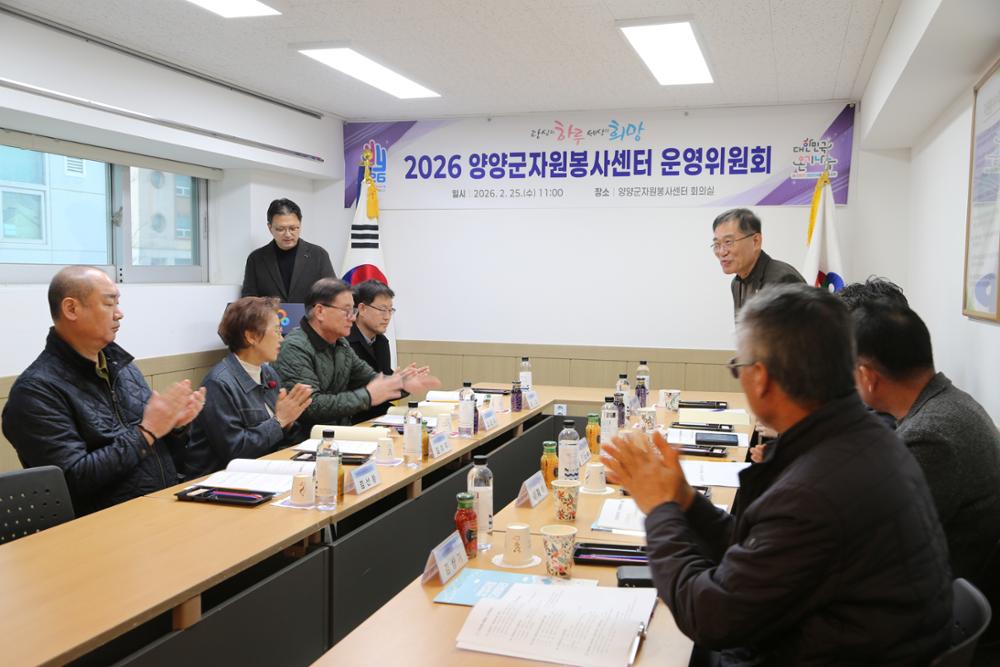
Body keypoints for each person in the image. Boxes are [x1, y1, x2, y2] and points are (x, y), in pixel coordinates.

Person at [603, 284, 951, 666]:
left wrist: (659, 508)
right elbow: (758, 550)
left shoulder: (816, 493)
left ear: (761, 377)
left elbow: (709, 617)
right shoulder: (862, 439)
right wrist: (685, 501)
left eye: (738, 368)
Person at [1, 267, 206, 515]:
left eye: (117, 304)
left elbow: (156, 452)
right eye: (109, 304)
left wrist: (173, 427)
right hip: (104, 526)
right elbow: (72, 480)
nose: (119, 314)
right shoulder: (36, 391)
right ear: (71, 309)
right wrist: (148, 431)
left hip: (158, 507)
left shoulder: (122, 368)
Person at [851, 300, 1000, 589]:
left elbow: (872, 542)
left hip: (932, 596)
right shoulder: (950, 402)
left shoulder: (929, 438)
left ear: (867, 376)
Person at [274, 278, 438, 433]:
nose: (353, 317)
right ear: (320, 311)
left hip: (341, 433)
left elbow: (370, 378)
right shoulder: (295, 347)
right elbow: (311, 406)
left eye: (353, 311)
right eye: (346, 311)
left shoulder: (341, 344)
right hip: (305, 440)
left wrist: (402, 384)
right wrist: (368, 396)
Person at [183, 297, 313, 479]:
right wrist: (280, 421)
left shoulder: (268, 373)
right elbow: (235, 451)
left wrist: (289, 424)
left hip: (262, 472)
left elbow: (281, 436)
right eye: (276, 331)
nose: (282, 339)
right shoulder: (218, 383)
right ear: (251, 336)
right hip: (220, 481)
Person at [711, 208, 804, 317]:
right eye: (717, 244)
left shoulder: (781, 280)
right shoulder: (736, 283)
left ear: (756, 241)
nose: (722, 252)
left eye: (728, 242)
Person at [241, 198, 336, 302]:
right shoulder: (256, 259)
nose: (287, 234)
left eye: (293, 228)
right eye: (280, 229)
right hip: (271, 312)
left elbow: (332, 295)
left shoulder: (319, 255)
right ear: (270, 228)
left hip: (309, 312)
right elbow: (248, 300)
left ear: (300, 224)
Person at [348, 280, 400, 423]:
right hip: (351, 420)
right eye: (382, 310)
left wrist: (404, 382)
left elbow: (384, 388)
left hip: (376, 416)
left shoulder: (381, 342)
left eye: (390, 310)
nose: (387, 317)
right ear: (362, 309)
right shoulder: (344, 342)